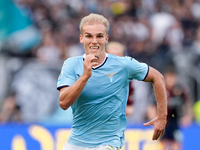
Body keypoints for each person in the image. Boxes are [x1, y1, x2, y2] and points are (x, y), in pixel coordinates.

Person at [57, 13, 167, 150]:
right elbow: (63, 103)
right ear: (81, 38)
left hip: (108, 142)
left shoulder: (123, 64)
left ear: (106, 38)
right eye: (89, 36)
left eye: (99, 36)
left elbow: (158, 78)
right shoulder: (71, 64)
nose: (94, 41)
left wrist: (162, 116)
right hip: (76, 142)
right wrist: (85, 76)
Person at [147, 66, 193, 150]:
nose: (171, 80)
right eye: (169, 77)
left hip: (175, 121)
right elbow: (152, 105)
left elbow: (187, 103)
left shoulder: (180, 90)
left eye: (173, 77)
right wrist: (154, 119)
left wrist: (188, 116)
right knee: (162, 142)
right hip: (162, 121)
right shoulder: (159, 89)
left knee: (177, 142)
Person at [105, 41, 134, 117]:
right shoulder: (97, 73)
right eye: (112, 55)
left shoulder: (127, 76)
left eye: (119, 55)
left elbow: (130, 106)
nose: (115, 58)